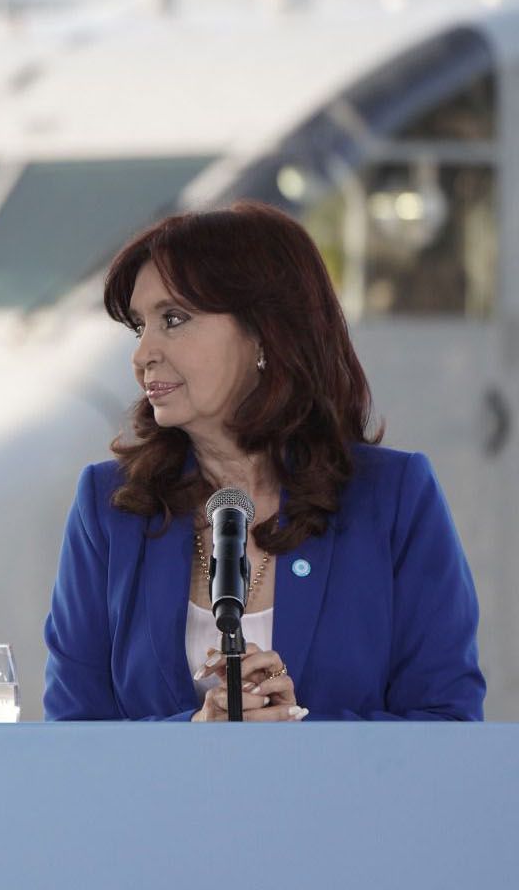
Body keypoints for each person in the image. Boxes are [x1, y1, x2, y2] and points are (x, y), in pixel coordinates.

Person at [43, 201, 483, 722]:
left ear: (264, 333)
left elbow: (448, 725)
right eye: (140, 327)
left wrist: (291, 733)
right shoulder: (109, 506)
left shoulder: (395, 497)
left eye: (174, 319)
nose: (142, 356)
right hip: (162, 808)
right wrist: (194, 734)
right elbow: (70, 739)